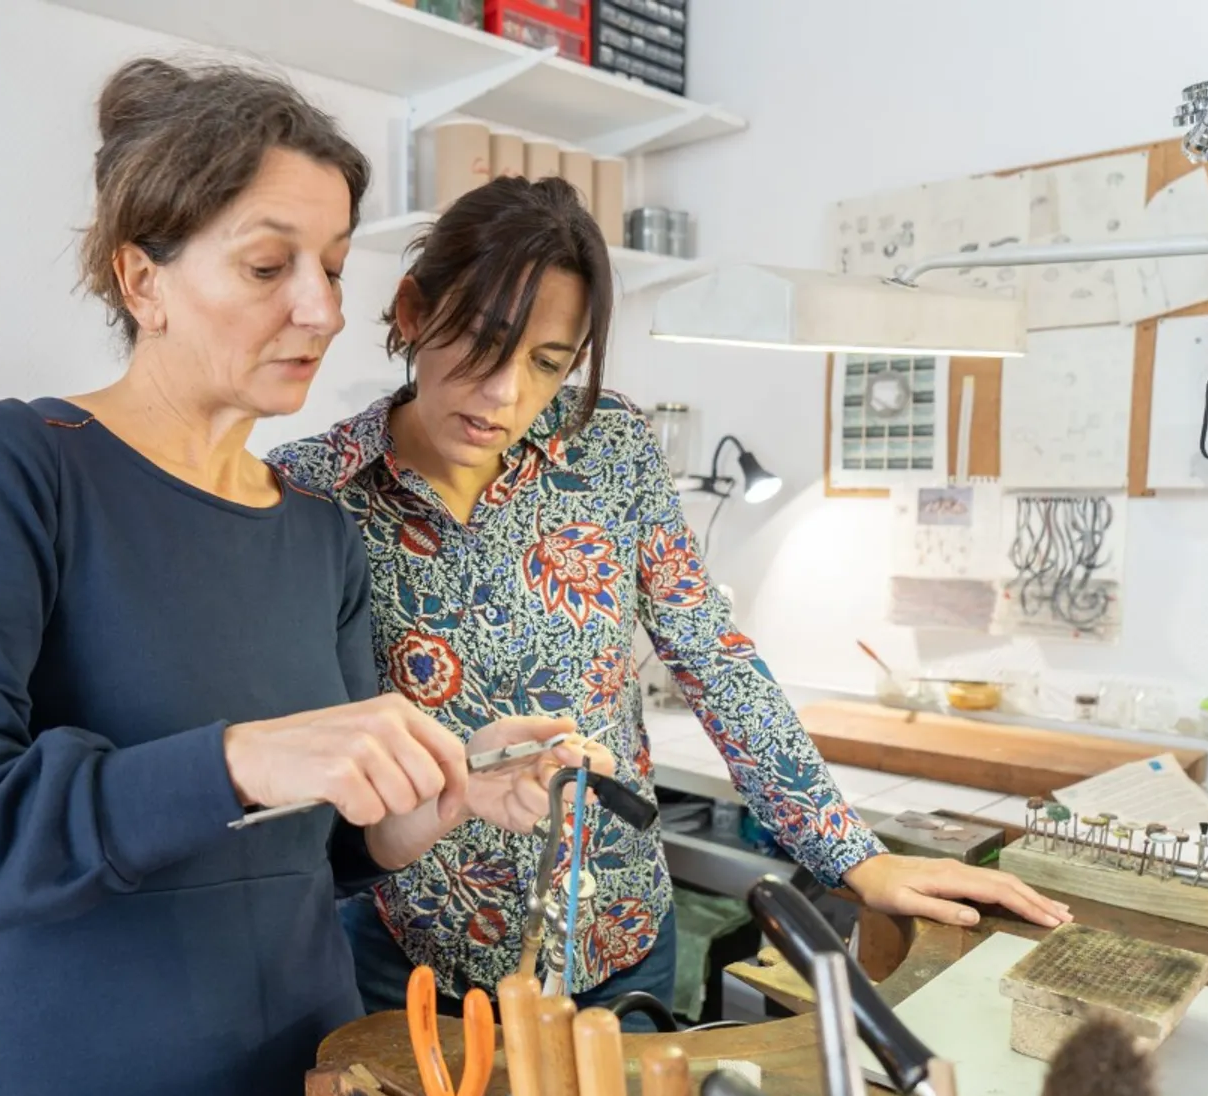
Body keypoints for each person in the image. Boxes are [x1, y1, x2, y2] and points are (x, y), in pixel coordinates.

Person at [0, 61, 612, 1096]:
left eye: (335, 266)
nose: (321, 307)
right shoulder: (16, 470)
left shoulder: (316, 533)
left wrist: (416, 812)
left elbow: (313, 854)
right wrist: (238, 755)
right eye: (268, 265)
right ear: (141, 277)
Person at [268, 175, 1071, 1030]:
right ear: (412, 310)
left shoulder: (606, 446)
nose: (505, 394)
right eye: (481, 339)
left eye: (547, 362)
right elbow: (306, 747)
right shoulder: (314, 490)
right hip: (414, 957)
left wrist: (853, 858)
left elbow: (711, 654)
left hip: (614, 935)